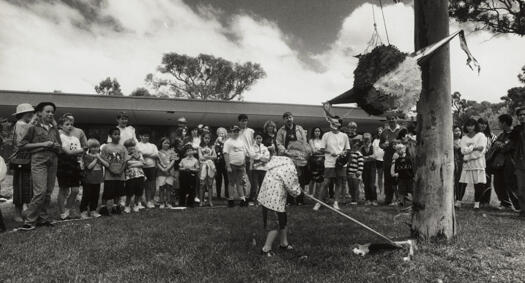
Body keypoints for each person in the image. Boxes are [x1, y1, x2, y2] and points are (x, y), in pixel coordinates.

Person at [19, 102, 62, 230]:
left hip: (53, 160)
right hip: (38, 160)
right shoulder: (31, 127)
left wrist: (56, 146)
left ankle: (43, 218)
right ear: (39, 113)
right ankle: (29, 221)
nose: (50, 114)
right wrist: (43, 144)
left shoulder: (54, 128)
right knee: (40, 192)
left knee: (48, 192)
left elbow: (60, 147)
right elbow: (22, 146)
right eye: (47, 111)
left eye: (52, 112)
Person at [257, 155, 302, 257]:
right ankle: (266, 249)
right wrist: (298, 191)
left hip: (267, 195)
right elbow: (292, 187)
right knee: (275, 224)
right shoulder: (290, 168)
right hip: (274, 200)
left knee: (283, 220)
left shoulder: (279, 161)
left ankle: (284, 243)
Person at [313, 116, 350, 211]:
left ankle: (336, 202)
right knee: (326, 182)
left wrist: (343, 153)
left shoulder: (344, 136)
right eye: (332, 122)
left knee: (338, 183)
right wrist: (330, 152)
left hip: (341, 163)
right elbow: (322, 149)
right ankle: (319, 202)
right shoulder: (326, 135)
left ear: (339, 124)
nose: (333, 124)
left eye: (335, 122)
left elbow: (347, 149)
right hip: (329, 162)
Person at [276, 112, 309, 205]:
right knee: (288, 178)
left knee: (300, 178)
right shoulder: (281, 130)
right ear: (284, 120)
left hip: (299, 157)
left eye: (290, 117)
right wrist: (286, 151)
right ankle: (289, 200)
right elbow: (278, 143)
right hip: (287, 157)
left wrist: (303, 153)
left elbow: (304, 141)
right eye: (286, 118)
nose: (288, 119)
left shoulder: (299, 128)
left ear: (293, 118)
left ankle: (300, 199)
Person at [10, 103, 35, 222]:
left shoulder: (24, 124)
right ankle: (17, 213)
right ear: (22, 114)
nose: (31, 114)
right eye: (29, 113)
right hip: (21, 159)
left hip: (27, 158)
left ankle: (24, 211)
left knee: (27, 185)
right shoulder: (21, 124)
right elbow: (24, 139)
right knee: (20, 186)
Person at [56, 116, 84, 220]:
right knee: (64, 189)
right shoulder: (59, 137)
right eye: (67, 124)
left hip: (75, 164)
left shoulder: (75, 138)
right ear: (60, 126)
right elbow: (67, 152)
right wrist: (78, 151)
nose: (70, 126)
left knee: (76, 190)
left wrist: (77, 152)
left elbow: (79, 153)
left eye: (71, 124)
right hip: (63, 164)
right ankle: (62, 213)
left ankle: (68, 209)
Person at [491, 114, 520, 210]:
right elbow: (495, 145)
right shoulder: (501, 134)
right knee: (498, 183)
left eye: (499, 122)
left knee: (511, 184)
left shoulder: (515, 133)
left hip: (511, 162)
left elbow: (509, 147)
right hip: (499, 163)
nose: (498, 124)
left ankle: (518, 205)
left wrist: (501, 145)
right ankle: (505, 203)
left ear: (504, 123)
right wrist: (498, 144)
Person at [459, 118, 488, 210]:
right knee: (462, 182)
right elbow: (463, 151)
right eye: (468, 125)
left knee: (478, 184)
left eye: (472, 125)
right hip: (467, 164)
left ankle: (477, 204)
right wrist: (474, 148)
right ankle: (458, 202)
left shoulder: (481, 136)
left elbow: (481, 150)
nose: (470, 127)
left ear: (475, 126)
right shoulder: (464, 137)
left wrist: (469, 154)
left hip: (478, 164)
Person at [99, 127, 128, 216]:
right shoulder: (106, 147)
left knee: (118, 192)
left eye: (118, 134)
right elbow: (103, 160)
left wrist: (121, 171)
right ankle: (103, 208)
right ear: (110, 136)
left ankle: (116, 207)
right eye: (115, 134)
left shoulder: (122, 147)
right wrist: (111, 170)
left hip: (120, 175)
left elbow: (125, 161)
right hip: (109, 175)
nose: (117, 136)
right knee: (108, 192)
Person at [380, 114, 405, 205]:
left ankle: (400, 199)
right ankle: (388, 198)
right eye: (389, 119)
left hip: (400, 157)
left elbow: (406, 141)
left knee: (399, 178)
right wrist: (384, 145)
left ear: (397, 119)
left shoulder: (402, 130)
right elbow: (381, 144)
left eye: (393, 119)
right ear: (388, 121)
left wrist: (398, 143)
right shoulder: (384, 132)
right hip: (387, 157)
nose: (391, 121)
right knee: (388, 178)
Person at [224, 125, 248, 207]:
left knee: (240, 183)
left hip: (241, 166)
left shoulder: (241, 141)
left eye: (237, 131)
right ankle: (231, 200)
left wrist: (244, 162)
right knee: (231, 183)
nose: (236, 133)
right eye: (234, 131)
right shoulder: (228, 142)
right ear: (231, 132)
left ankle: (242, 199)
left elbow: (244, 153)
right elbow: (226, 154)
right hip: (232, 165)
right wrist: (228, 166)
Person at [80, 139, 104, 219]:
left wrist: (99, 158)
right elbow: (89, 167)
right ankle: (83, 211)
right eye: (93, 147)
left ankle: (93, 211)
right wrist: (97, 158)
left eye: (97, 147)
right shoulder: (86, 156)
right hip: (88, 180)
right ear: (89, 148)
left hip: (97, 180)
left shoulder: (100, 156)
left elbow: (105, 164)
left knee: (95, 196)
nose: (95, 149)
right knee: (87, 196)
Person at [136, 131, 159, 209]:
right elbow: (138, 155)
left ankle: (149, 201)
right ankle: (138, 202)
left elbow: (156, 154)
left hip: (151, 167)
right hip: (140, 167)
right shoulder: (137, 145)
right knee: (140, 185)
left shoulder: (152, 145)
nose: (146, 137)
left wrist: (145, 154)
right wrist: (150, 154)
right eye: (144, 136)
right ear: (140, 136)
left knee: (149, 185)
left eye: (148, 136)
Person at [478, 118, 497, 207]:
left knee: (487, 181)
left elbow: (495, 147)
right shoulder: (474, 135)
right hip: (477, 161)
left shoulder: (491, 136)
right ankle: (479, 200)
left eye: (485, 124)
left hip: (488, 162)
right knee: (478, 182)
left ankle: (486, 201)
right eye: (481, 123)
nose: (483, 125)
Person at [237, 114, 255, 204]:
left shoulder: (251, 131)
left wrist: (252, 155)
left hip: (249, 158)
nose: (244, 122)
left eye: (245, 120)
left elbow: (254, 144)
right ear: (239, 122)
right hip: (240, 158)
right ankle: (243, 198)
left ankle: (251, 197)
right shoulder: (236, 132)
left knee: (251, 179)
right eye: (242, 120)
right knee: (242, 179)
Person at [123, 139, 145, 213]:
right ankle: (127, 206)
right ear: (126, 147)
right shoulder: (124, 154)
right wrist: (136, 162)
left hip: (140, 175)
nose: (131, 147)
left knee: (138, 191)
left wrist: (131, 163)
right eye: (129, 146)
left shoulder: (139, 153)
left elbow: (142, 164)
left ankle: (136, 205)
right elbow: (125, 165)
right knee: (129, 192)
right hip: (130, 176)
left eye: (133, 145)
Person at [157, 137, 178, 209]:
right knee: (161, 187)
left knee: (169, 187)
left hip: (170, 172)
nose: (167, 144)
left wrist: (167, 169)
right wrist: (163, 169)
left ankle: (169, 202)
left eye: (168, 143)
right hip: (161, 172)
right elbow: (157, 163)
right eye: (165, 143)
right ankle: (162, 202)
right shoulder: (158, 152)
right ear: (161, 144)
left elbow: (173, 161)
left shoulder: (172, 152)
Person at [391, 143, 414, 207]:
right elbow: (394, 171)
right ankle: (401, 204)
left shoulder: (409, 158)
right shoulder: (397, 160)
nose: (399, 150)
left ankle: (415, 204)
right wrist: (395, 174)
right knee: (401, 192)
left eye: (400, 149)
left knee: (412, 191)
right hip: (401, 179)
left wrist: (414, 176)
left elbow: (413, 168)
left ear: (404, 149)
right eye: (397, 149)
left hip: (410, 178)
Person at [198, 132, 217, 207]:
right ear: (202, 138)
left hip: (211, 166)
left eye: (208, 138)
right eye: (205, 138)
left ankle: (210, 201)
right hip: (202, 166)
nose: (207, 139)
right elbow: (200, 157)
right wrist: (209, 157)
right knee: (202, 184)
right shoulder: (200, 147)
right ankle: (201, 201)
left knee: (210, 184)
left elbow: (215, 156)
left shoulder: (212, 146)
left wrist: (206, 157)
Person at [252, 132, 270, 203]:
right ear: (254, 139)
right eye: (257, 138)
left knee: (262, 185)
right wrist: (262, 156)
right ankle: (255, 200)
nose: (259, 139)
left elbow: (267, 157)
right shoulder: (252, 147)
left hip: (264, 169)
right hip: (255, 169)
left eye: (260, 138)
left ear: (262, 139)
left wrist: (259, 156)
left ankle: (261, 200)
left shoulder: (265, 148)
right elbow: (253, 155)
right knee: (255, 185)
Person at [360, 133, 377, 206]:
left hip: (372, 167)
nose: (367, 140)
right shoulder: (361, 148)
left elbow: (375, 156)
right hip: (364, 168)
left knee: (372, 184)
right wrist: (369, 157)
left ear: (371, 139)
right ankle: (367, 199)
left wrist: (366, 158)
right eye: (365, 139)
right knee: (366, 183)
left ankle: (374, 199)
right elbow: (360, 157)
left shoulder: (373, 147)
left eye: (368, 139)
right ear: (363, 139)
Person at [347, 138, 364, 205]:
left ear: (358, 146)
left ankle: (356, 200)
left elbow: (361, 164)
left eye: (357, 145)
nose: (355, 146)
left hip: (355, 173)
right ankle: (352, 199)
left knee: (355, 187)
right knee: (351, 187)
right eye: (354, 145)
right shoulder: (350, 153)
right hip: (349, 173)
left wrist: (359, 171)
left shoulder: (358, 154)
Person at [453, 125, 466, 207]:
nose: (457, 132)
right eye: (455, 130)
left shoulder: (463, 141)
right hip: (451, 162)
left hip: (461, 163)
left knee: (460, 182)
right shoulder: (449, 141)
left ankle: (458, 199)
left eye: (459, 131)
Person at [308, 127, 324, 195]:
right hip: (313, 161)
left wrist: (318, 151)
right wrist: (320, 151)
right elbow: (313, 151)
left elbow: (324, 150)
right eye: (315, 131)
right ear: (313, 132)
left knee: (320, 179)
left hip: (321, 161)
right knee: (312, 178)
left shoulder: (323, 140)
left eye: (318, 131)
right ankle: (311, 194)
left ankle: (318, 194)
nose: (317, 132)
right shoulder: (311, 140)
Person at [214, 127, 229, 200]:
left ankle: (227, 194)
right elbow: (213, 150)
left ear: (225, 134)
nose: (221, 134)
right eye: (220, 133)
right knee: (218, 179)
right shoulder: (216, 142)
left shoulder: (227, 141)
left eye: (223, 133)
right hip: (218, 162)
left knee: (227, 179)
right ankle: (218, 195)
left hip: (226, 162)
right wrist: (217, 141)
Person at [372, 127, 384, 196]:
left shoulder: (385, 140)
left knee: (381, 176)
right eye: (379, 131)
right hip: (376, 160)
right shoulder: (375, 141)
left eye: (381, 131)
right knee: (375, 176)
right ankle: (375, 190)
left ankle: (381, 191)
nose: (380, 132)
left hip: (383, 160)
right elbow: (373, 149)